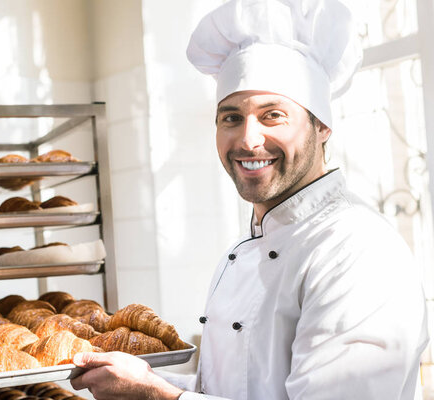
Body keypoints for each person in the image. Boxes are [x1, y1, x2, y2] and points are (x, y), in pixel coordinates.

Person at [70, 0, 429, 399]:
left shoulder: (356, 251)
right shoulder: (255, 242)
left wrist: (157, 395)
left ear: (322, 125)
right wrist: (149, 380)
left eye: (272, 115)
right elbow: (240, 389)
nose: (247, 139)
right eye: (231, 117)